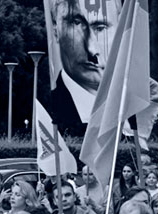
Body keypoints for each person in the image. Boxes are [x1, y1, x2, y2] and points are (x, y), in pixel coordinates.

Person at [45, 0, 120, 135]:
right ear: (55, 29)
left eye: (100, 28)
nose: (91, 50)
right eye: (76, 23)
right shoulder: (56, 107)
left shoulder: (130, 107)